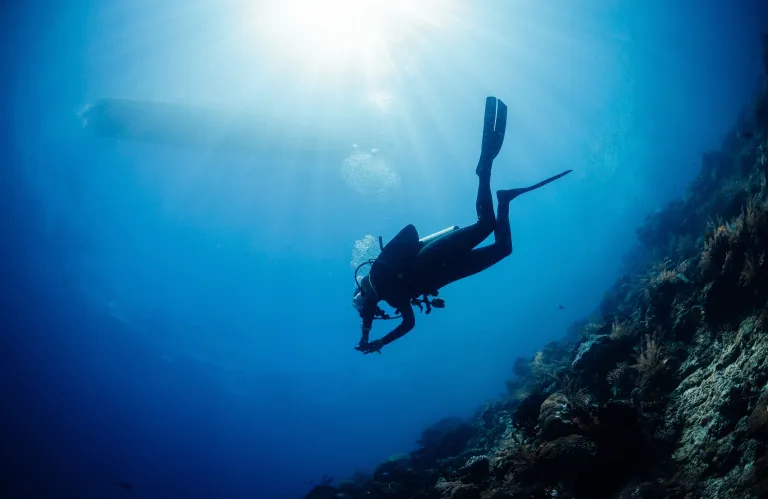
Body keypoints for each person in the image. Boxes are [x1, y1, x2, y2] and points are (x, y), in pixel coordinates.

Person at [352, 96, 572, 354]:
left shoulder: (380, 276)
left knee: (485, 225)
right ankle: (504, 200)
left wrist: (372, 337)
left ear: (364, 294)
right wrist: (372, 339)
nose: (370, 310)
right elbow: (401, 321)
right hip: (449, 272)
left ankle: (484, 171)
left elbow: (379, 310)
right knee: (503, 249)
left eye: (364, 306)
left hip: (432, 256)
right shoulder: (393, 297)